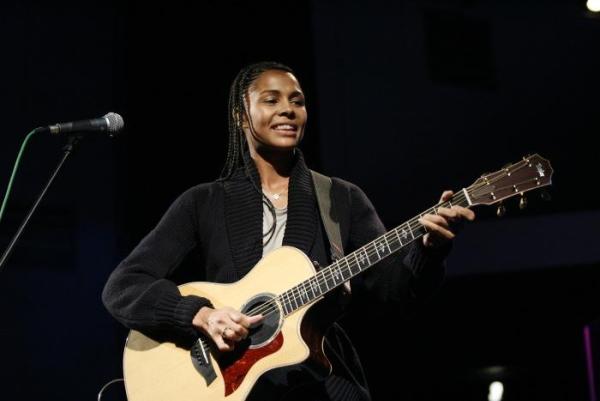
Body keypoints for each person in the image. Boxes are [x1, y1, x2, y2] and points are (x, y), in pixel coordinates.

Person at [102, 61, 475, 401]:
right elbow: (123, 286)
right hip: (234, 386)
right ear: (241, 116)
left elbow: (398, 293)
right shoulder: (204, 202)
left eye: (297, 101)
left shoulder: (340, 198)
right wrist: (199, 315)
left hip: (321, 384)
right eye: (271, 100)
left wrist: (429, 250)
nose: (288, 109)